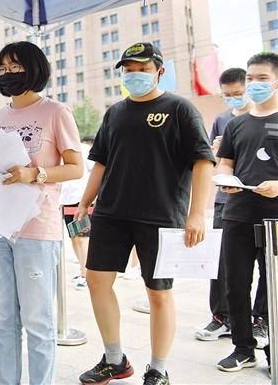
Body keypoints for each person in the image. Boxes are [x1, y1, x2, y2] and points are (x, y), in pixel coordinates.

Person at [74, 42, 214, 385]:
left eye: (142, 69)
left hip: (161, 215)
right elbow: (100, 162)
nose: (134, 75)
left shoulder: (180, 109)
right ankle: (114, 360)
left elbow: (203, 161)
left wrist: (196, 214)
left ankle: (158, 369)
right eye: (129, 70)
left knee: (158, 293)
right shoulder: (115, 113)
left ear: (159, 72)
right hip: (111, 212)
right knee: (96, 281)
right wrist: (84, 202)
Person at [0, 41, 83, 385]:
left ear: (35, 68)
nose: (7, 73)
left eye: (15, 67)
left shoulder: (55, 112)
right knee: (1, 319)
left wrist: (35, 174)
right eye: (2, 68)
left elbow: (75, 167)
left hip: (36, 229)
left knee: (38, 322)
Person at [215, 52, 278, 373]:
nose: (255, 84)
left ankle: (273, 348)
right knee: (236, 283)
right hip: (238, 212)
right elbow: (225, 163)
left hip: (275, 217)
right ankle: (243, 348)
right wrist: (226, 179)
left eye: (262, 78)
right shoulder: (236, 124)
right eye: (250, 78)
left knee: (274, 283)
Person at [196, 67, 267, 345]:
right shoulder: (224, 120)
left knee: (266, 264)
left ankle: (260, 320)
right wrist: (218, 152)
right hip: (227, 201)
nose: (233, 98)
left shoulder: (266, 119)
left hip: (264, 202)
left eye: (238, 93)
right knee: (223, 263)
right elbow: (215, 161)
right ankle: (222, 317)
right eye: (227, 95)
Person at [60, 134, 95, 291]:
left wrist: (92, 199)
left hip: (81, 201)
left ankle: (85, 275)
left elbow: (96, 172)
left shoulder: (84, 150)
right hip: (65, 201)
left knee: (82, 239)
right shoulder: (59, 150)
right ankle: (82, 269)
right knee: (74, 238)